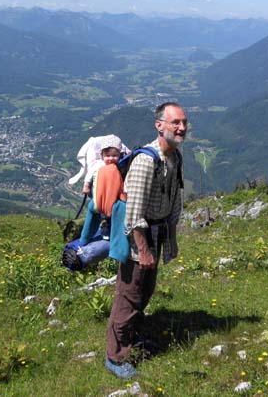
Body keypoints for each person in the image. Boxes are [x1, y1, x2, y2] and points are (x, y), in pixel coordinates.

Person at [105, 102, 187, 379]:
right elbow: (133, 214)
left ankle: (134, 340)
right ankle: (115, 356)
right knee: (128, 294)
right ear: (159, 125)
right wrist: (144, 251)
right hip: (138, 239)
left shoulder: (174, 158)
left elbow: (174, 199)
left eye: (184, 122)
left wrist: (169, 239)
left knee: (145, 291)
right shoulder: (145, 161)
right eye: (175, 122)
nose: (182, 128)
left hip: (156, 234)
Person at [63, 137, 128, 271]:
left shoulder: (118, 166)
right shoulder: (99, 165)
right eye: (108, 155)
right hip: (100, 201)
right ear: (102, 155)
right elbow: (90, 176)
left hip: (108, 203)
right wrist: (86, 186)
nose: (111, 158)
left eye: (114, 156)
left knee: (103, 221)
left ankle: (94, 239)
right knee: (96, 220)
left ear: (120, 155)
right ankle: (86, 239)